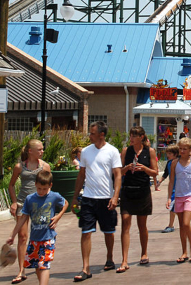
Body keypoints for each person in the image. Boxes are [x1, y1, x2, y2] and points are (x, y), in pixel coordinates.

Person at [71, 121, 122, 282]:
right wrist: (74, 198)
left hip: (106, 198)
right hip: (88, 198)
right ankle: (86, 267)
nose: (89, 136)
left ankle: (109, 257)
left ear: (101, 134)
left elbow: (118, 175)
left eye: (92, 133)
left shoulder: (112, 151)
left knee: (109, 231)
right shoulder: (86, 152)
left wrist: (115, 196)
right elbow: (81, 175)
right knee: (85, 231)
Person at [7, 170, 67, 285]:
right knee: (37, 266)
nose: (41, 191)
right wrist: (13, 235)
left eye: (44, 189)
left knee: (44, 265)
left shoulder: (54, 196)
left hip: (48, 238)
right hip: (34, 239)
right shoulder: (30, 199)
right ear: (35, 184)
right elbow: (23, 218)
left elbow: (65, 204)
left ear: (50, 186)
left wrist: (58, 216)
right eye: (39, 188)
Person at [8, 139, 51, 284]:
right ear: (30, 151)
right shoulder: (19, 167)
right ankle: (21, 270)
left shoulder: (45, 166)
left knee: (39, 237)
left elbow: (49, 186)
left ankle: (39, 262)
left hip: (39, 206)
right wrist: (14, 202)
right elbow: (11, 185)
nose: (42, 151)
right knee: (22, 237)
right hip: (22, 203)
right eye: (39, 149)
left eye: (42, 149)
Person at [117, 126, 158, 273]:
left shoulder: (149, 152)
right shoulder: (125, 151)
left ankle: (144, 253)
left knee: (142, 225)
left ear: (141, 137)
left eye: (134, 136)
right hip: (128, 190)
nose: (131, 138)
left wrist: (145, 169)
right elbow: (118, 172)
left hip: (143, 191)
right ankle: (124, 259)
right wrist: (127, 168)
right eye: (130, 136)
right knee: (125, 223)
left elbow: (155, 172)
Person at [166, 137, 191, 263]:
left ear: (190, 149)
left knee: (186, 223)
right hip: (178, 196)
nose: (182, 151)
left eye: (185, 149)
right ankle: (184, 252)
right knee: (181, 225)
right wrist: (169, 198)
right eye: (180, 148)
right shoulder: (174, 163)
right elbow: (171, 181)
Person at [157, 144, 179, 233]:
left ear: (175, 154)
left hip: (180, 188)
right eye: (167, 153)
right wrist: (160, 181)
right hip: (172, 188)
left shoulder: (179, 162)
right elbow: (166, 174)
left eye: (169, 153)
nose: (167, 155)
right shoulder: (169, 163)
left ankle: (174, 224)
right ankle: (171, 225)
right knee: (172, 207)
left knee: (176, 207)